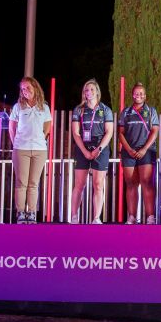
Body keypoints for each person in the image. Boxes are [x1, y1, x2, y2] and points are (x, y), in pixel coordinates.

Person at [9, 77, 52, 224]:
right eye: (22, 89)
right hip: (21, 148)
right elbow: (12, 127)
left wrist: (40, 138)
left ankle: (32, 213)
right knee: (21, 183)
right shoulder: (18, 107)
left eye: (27, 88)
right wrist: (16, 142)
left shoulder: (44, 107)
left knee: (33, 183)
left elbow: (47, 127)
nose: (25, 91)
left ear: (35, 87)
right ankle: (20, 213)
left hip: (39, 149)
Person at [70, 79, 114, 224]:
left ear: (97, 92)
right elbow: (76, 133)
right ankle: (74, 216)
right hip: (83, 148)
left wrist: (99, 149)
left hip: (100, 149)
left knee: (98, 184)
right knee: (79, 184)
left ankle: (96, 218)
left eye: (91, 90)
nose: (88, 92)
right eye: (86, 90)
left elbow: (109, 132)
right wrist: (85, 151)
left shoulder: (105, 110)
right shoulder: (78, 110)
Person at [118, 82, 160, 224]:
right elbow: (121, 133)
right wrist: (129, 149)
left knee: (147, 183)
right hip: (128, 151)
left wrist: (144, 149)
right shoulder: (126, 112)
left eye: (142, 93)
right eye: (136, 93)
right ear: (132, 95)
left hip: (146, 151)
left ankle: (150, 217)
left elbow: (155, 131)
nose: (139, 95)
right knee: (130, 184)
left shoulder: (151, 111)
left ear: (145, 96)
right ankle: (132, 217)